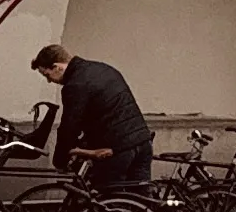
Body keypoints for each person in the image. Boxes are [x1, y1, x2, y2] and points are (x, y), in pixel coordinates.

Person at [33, 40, 154, 195]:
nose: (49, 81)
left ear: (57, 67)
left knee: (107, 200)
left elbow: (70, 127)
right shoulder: (104, 69)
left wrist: (60, 160)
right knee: (140, 200)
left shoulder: (75, 85)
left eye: (47, 75)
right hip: (142, 141)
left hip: (116, 149)